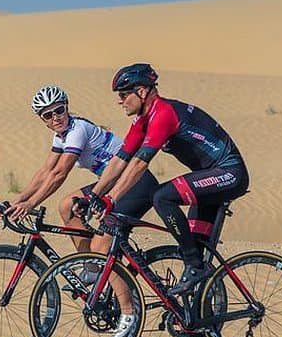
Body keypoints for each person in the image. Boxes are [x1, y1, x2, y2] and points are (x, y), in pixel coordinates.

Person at [85, 63, 249, 316]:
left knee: (162, 197)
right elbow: (120, 160)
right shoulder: (143, 121)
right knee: (197, 249)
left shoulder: (163, 114)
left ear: (141, 92)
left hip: (230, 174)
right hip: (209, 178)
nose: (120, 101)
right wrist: (95, 195)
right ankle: (196, 328)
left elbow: (140, 163)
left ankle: (194, 265)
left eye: (123, 94)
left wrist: (112, 198)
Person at [6, 86, 159, 332]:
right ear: (43, 120)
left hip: (135, 185)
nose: (55, 117)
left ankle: (129, 314)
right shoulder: (61, 135)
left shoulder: (78, 130)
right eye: (48, 115)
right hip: (111, 184)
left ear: (67, 107)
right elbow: (45, 171)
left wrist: (31, 204)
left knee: (101, 247)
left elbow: (59, 174)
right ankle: (92, 268)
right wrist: (20, 200)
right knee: (67, 205)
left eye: (59, 110)